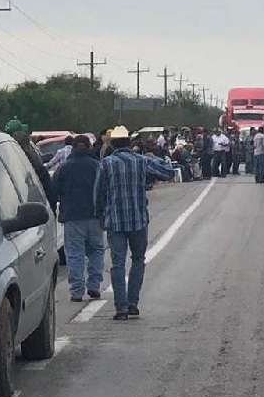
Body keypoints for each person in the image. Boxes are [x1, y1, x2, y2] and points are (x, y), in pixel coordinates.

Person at [94, 126, 176, 320]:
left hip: (115, 221)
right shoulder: (142, 161)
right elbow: (169, 173)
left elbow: (98, 194)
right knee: (138, 260)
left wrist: (100, 217)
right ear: (130, 143)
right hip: (139, 220)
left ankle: (121, 307)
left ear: (113, 144)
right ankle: (133, 303)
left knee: (118, 264)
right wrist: (155, 159)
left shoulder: (106, 164)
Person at [52, 136, 104, 303]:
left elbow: (54, 190)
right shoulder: (98, 166)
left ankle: (77, 291)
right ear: (89, 147)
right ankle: (94, 285)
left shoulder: (64, 167)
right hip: (95, 216)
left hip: (72, 217)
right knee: (96, 251)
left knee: (74, 254)